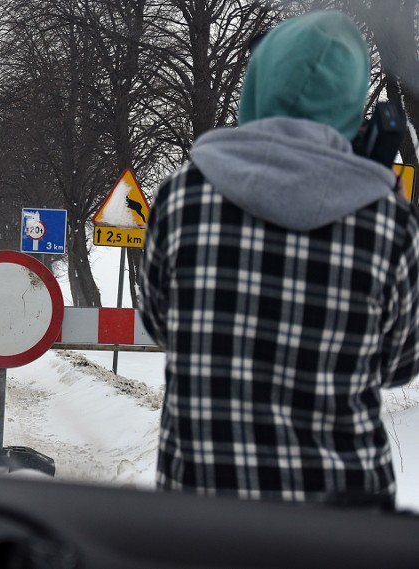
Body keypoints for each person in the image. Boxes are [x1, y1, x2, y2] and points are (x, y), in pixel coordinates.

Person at [140, 10, 419, 509]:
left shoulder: (181, 199)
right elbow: (400, 365)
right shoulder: (387, 223)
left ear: (258, 82)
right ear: (351, 102)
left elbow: (162, 326)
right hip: (344, 520)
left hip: (202, 512)